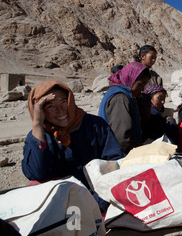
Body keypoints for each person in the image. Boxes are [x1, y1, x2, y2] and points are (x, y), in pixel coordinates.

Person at [22, 81, 125, 212]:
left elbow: (115, 163)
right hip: (62, 205)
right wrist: (37, 124)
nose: (60, 110)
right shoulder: (40, 136)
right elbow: (38, 174)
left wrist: (97, 203)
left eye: (64, 102)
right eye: (50, 107)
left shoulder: (95, 125)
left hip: (102, 199)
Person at [98, 62, 151, 154]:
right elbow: (121, 138)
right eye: (140, 84)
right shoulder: (120, 98)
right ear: (130, 79)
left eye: (144, 85)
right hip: (120, 154)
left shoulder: (125, 94)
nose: (142, 89)